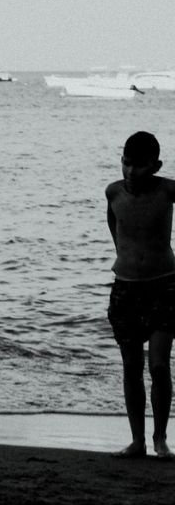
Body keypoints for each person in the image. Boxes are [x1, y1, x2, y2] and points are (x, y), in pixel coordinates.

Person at [105, 130, 175, 457]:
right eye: (126, 163)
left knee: (159, 365)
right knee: (131, 366)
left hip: (165, 286)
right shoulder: (114, 193)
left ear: (156, 165)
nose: (131, 172)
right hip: (125, 288)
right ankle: (138, 441)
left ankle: (160, 437)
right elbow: (115, 228)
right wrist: (126, 256)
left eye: (140, 166)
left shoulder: (167, 191)